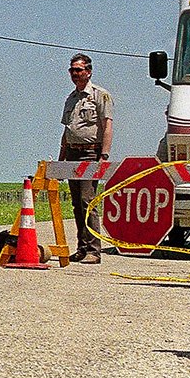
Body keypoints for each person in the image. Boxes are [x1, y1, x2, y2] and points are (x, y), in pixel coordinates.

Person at [58, 54, 113, 264]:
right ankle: (81, 247)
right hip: (72, 152)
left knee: (87, 201)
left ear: (88, 72)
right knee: (75, 203)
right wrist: (61, 160)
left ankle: (93, 250)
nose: (75, 74)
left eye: (78, 70)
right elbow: (67, 131)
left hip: (91, 153)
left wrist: (104, 156)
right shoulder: (70, 98)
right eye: (72, 70)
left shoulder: (100, 95)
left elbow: (107, 126)